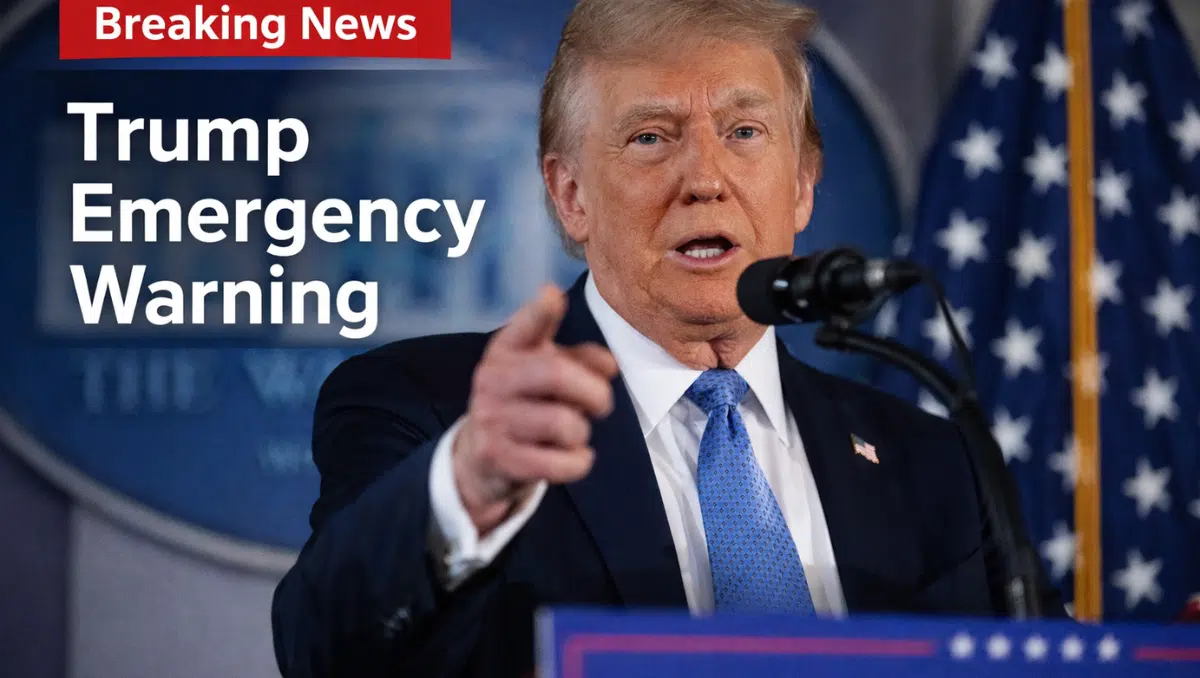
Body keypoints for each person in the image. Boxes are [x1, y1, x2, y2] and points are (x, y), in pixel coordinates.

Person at [271, 0, 1065, 675]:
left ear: (802, 185)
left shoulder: (934, 461)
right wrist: (467, 487)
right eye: (651, 136)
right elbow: (324, 648)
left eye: (745, 131)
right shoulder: (436, 413)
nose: (706, 178)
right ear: (570, 194)